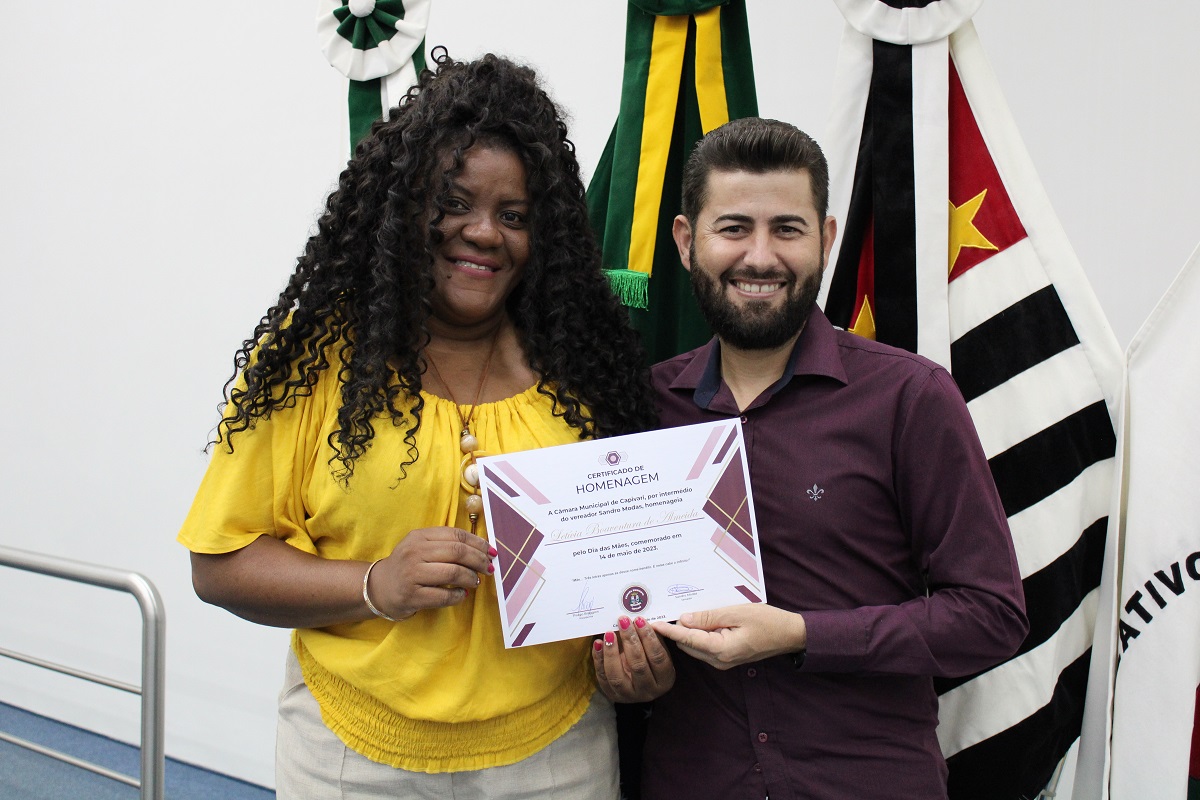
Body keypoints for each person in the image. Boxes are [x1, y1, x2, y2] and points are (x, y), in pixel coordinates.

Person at [178, 50, 655, 799]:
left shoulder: (585, 369)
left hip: (556, 756)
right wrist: (375, 583)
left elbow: (626, 571)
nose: (484, 233)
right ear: (402, 208)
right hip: (352, 755)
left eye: (514, 216)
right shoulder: (314, 361)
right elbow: (220, 565)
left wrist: (634, 657)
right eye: (453, 203)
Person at [593, 117, 1028, 799]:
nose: (760, 257)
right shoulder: (640, 410)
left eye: (787, 230)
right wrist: (629, 673)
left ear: (825, 240)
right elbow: (606, 604)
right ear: (686, 241)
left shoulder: (910, 398)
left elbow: (991, 617)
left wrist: (801, 634)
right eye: (734, 228)